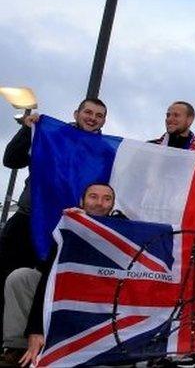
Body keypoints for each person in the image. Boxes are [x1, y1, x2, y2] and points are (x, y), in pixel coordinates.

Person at [0, 97, 107, 364]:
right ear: (77, 112)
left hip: (69, 228)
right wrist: (27, 129)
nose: (92, 118)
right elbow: (11, 160)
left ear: (104, 121)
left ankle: (35, 345)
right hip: (28, 220)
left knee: (45, 285)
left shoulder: (106, 151)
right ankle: (10, 346)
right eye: (88, 112)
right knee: (9, 280)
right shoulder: (51, 135)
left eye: (99, 115)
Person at [2, 184, 123, 368]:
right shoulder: (68, 225)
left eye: (107, 199)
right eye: (93, 197)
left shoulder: (121, 230)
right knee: (22, 278)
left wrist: (120, 219)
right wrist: (35, 330)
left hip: (100, 297)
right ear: (82, 202)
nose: (99, 203)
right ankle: (18, 349)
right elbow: (47, 276)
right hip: (62, 289)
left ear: (113, 205)